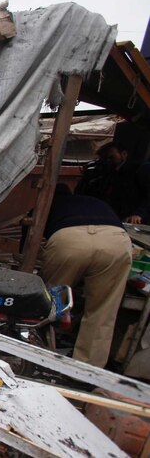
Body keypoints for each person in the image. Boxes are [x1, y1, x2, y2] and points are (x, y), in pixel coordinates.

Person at [42, 185, 132, 367]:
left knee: (50, 299)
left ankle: (42, 353)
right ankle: (87, 369)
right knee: (102, 309)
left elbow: (30, 243)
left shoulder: (46, 204)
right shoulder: (93, 201)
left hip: (70, 240)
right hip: (115, 241)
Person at [76, 139, 150, 224]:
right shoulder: (108, 173)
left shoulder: (140, 170)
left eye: (112, 157)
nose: (109, 161)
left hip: (136, 221)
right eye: (106, 158)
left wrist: (139, 214)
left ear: (124, 154)